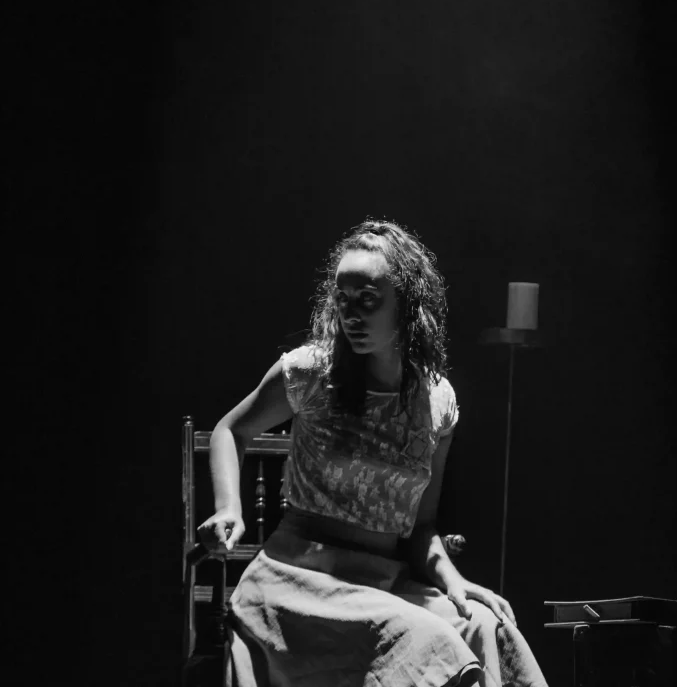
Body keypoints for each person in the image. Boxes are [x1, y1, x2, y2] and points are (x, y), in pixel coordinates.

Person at [198, 219, 549, 687]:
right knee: (427, 639)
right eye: (343, 299)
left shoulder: (437, 401)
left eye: (367, 299)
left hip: (383, 583)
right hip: (299, 584)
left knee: (488, 627)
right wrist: (229, 507)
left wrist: (454, 581)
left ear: (406, 304)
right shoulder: (311, 373)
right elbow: (230, 430)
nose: (352, 314)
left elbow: (422, 528)